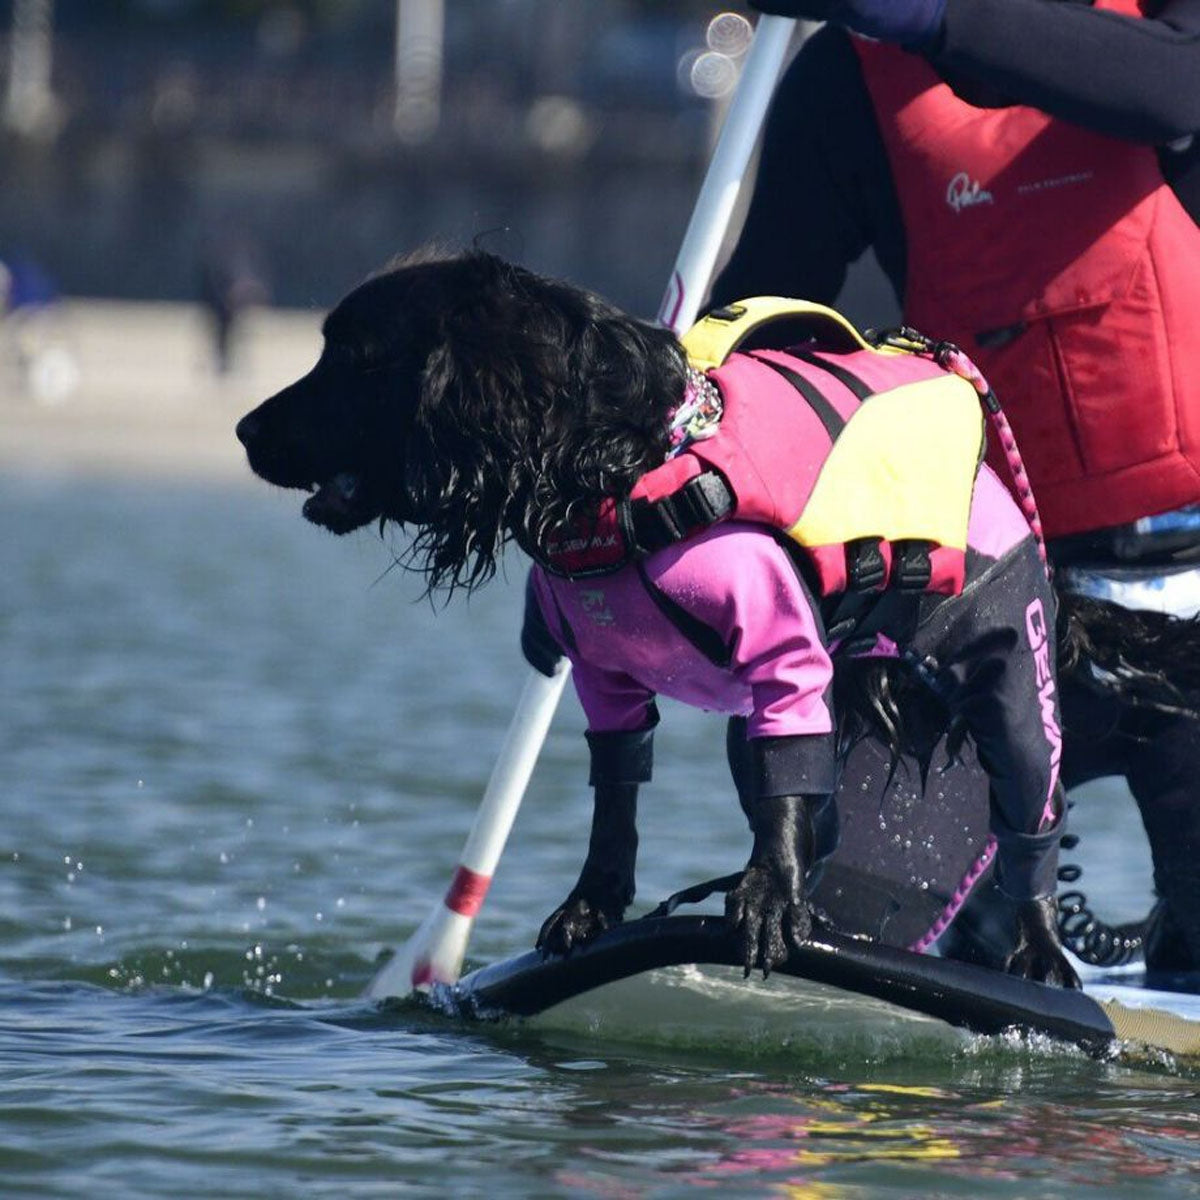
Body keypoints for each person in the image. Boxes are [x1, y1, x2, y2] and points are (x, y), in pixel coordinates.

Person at [713, 0, 1200, 970]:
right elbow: (765, 326)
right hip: (994, 620)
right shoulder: (843, 81)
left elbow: (1177, 87)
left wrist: (927, 14)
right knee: (864, 929)